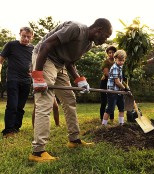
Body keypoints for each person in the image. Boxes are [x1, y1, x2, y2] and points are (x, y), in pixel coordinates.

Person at [29, 18, 112, 162]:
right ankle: (37, 152)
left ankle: (74, 140)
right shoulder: (76, 29)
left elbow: (69, 62)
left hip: (60, 64)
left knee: (69, 100)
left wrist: (80, 80)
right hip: (45, 58)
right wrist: (38, 75)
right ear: (98, 30)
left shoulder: (88, 44)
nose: (105, 40)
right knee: (45, 102)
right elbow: (46, 45)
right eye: (106, 36)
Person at [0, 27, 34, 138]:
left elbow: (35, 64)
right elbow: (1, 60)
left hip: (26, 81)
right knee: (12, 105)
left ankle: (16, 128)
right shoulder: (11, 45)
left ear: (32, 37)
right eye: (24, 36)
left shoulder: (33, 49)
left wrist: (33, 73)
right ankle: (8, 130)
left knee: (20, 107)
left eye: (28, 37)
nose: (26, 38)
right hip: (13, 79)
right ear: (20, 34)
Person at [101, 50, 128, 126]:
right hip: (112, 91)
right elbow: (117, 82)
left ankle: (121, 124)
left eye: (123, 60)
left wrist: (123, 80)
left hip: (119, 91)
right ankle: (103, 125)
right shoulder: (115, 67)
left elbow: (119, 79)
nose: (121, 62)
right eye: (119, 60)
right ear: (115, 59)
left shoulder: (120, 67)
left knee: (122, 108)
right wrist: (124, 88)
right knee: (110, 109)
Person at [99, 46, 117, 122]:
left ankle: (112, 119)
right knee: (104, 101)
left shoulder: (117, 62)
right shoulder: (106, 62)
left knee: (112, 101)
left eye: (113, 52)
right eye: (109, 53)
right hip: (105, 82)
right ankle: (102, 118)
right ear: (107, 54)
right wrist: (116, 78)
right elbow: (106, 73)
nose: (111, 54)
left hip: (114, 83)